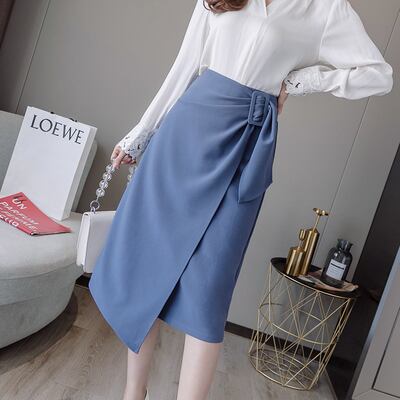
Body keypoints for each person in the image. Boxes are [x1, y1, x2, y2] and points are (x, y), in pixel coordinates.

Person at [88, 0, 393, 399]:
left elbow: (379, 76)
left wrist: (300, 81)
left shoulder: (325, 8)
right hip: (185, 134)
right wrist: (140, 134)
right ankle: (134, 393)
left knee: (208, 291)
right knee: (147, 265)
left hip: (246, 146)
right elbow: (184, 66)